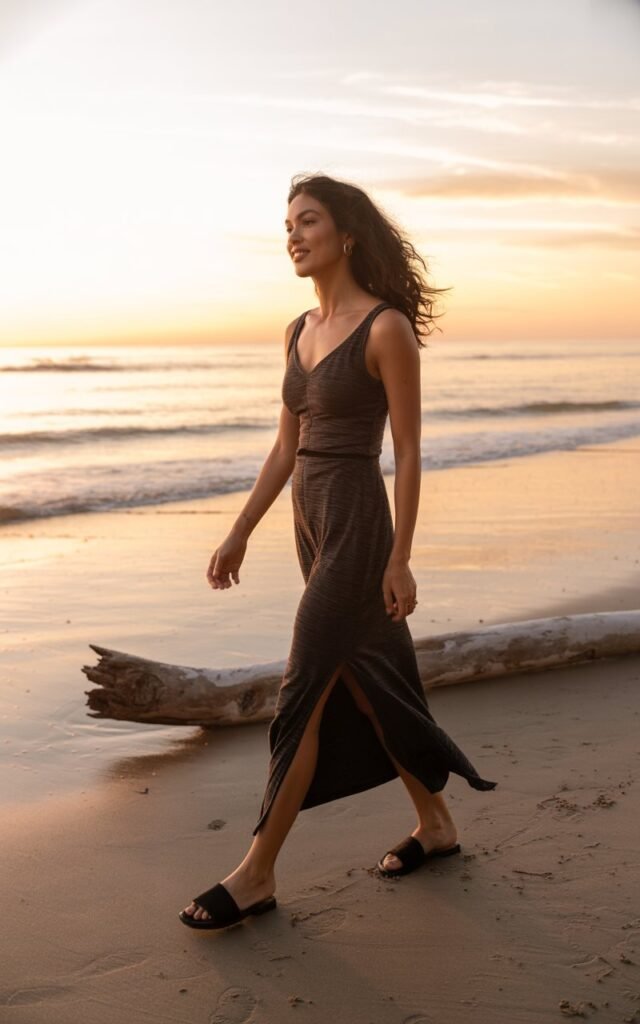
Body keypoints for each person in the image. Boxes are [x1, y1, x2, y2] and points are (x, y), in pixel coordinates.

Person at [179, 172, 497, 930]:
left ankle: (256, 873)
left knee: (303, 691)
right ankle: (438, 826)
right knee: (369, 682)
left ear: (346, 234)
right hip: (309, 525)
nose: (294, 234)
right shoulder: (296, 331)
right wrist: (239, 529)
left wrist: (401, 556)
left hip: (358, 529)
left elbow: (412, 453)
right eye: (287, 223)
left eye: (309, 221)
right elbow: (286, 447)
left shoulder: (384, 329)